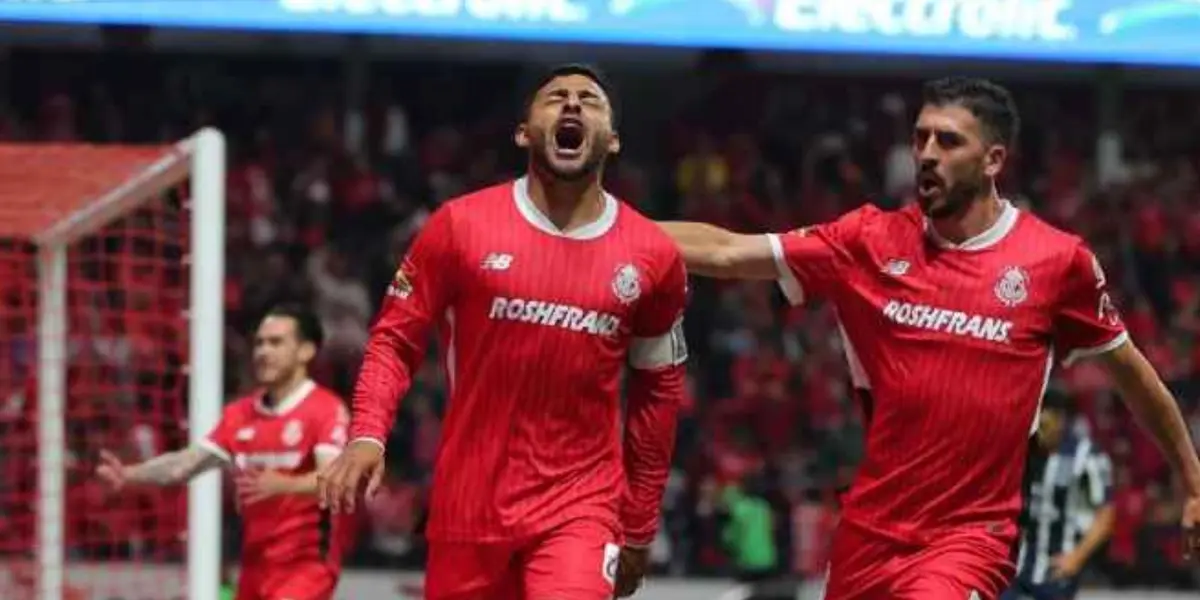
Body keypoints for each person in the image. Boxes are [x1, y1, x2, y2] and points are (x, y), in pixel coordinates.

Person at [659, 76, 1200, 599]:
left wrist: (1192, 478)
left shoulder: (1058, 262)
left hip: (968, 540)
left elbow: (1132, 374)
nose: (927, 153)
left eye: (948, 140)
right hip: (868, 534)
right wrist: (609, 229)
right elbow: (729, 250)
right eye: (920, 137)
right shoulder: (867, 240)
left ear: (993, 160)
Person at [316, 63, 689, 600]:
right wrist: (369, 434)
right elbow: (396, 339)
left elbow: (659, 393)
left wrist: (638, 522)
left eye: (590, 100)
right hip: (469, 506)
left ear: (613, 140)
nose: (573, 105)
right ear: (523, 131)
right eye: (555, 96)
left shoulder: (652, 255)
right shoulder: (460, 226)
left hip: (581, 508)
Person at [96, 305, 352, 600]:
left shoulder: (325, 410)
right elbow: (185, 464)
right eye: (259, 343)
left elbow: (335, 479)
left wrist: (284, 484)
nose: (263, 352)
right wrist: (129, 474)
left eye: (276, 342)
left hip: (305, 565)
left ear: (306, 351)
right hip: (255, 567)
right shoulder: (239, 414)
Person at [1003, 391, 1114, 600]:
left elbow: (1105, 516)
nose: (1041, 429)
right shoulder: (1023, 450)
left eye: (1047, 421)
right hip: (1015, 568)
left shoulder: (1086, 455)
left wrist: (1076, 558)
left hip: (1055, 570)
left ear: (1062, 419)